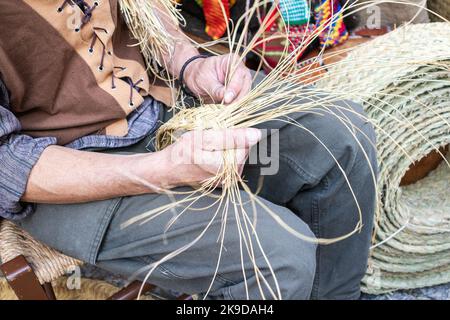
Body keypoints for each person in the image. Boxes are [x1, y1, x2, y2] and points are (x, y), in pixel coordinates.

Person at [0, 0, 377, 299]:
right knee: (278, 256)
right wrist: (162, 169)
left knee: (341, 132)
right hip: (72, 168)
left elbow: (146, 8)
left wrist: (189, 64)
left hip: (164, 102)